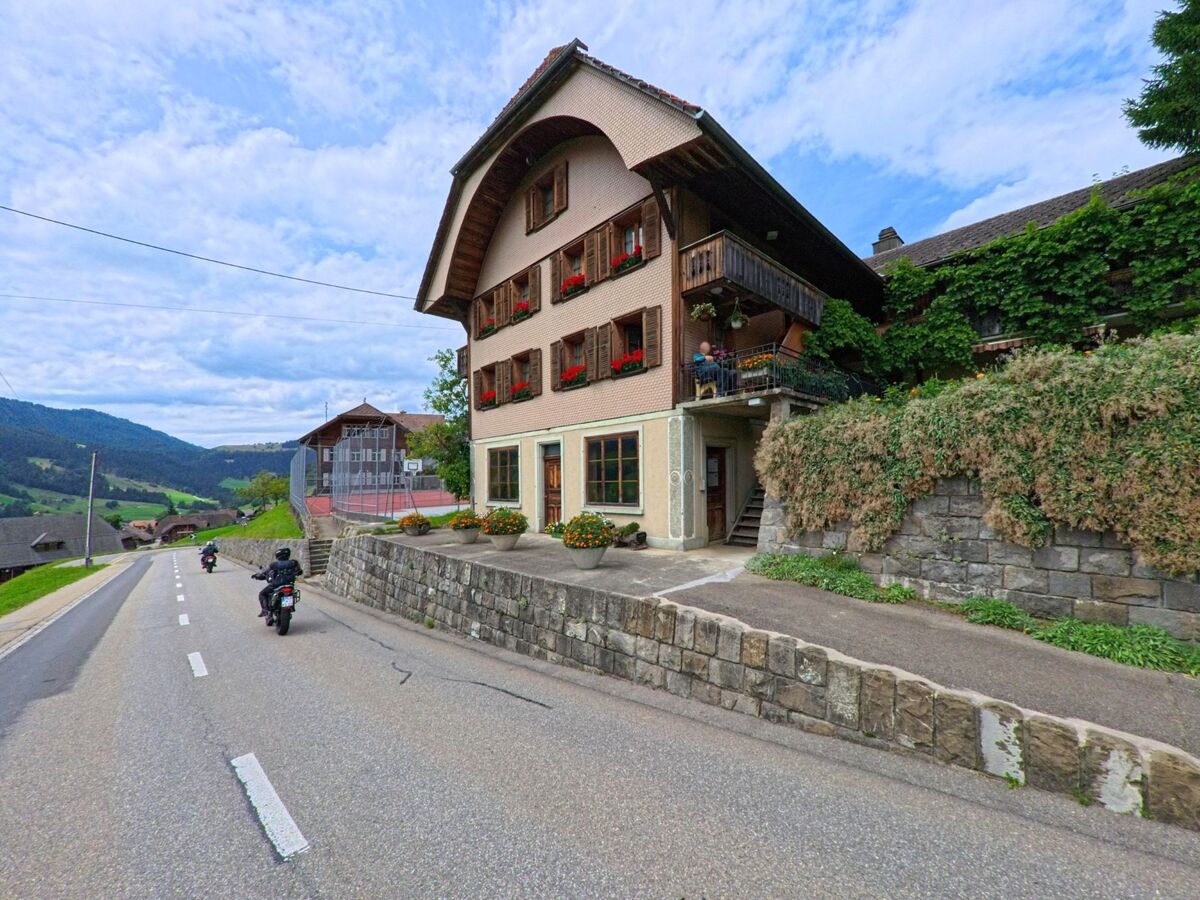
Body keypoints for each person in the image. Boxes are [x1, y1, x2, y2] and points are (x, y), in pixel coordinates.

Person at [252, 547, 304, 621]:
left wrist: (257, 576)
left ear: (278, 555)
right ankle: (289, 608)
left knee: (262, 594)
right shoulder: (294, 563)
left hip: (276, 586)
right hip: (290, 585)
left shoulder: (273, 565)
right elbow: (300, 572)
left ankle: (265, 611)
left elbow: (264, 573)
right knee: (292, 594)